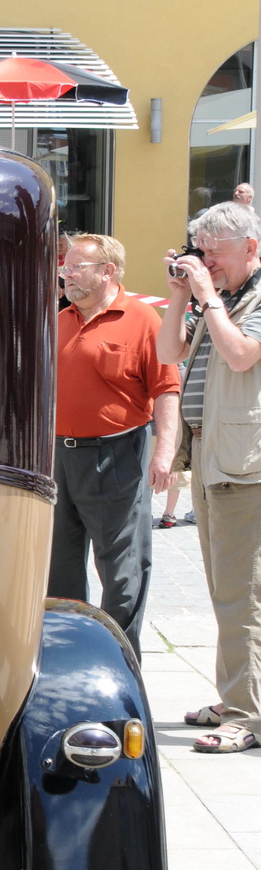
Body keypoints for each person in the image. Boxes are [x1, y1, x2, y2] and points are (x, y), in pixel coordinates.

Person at [157, 201, 261, 752]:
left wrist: (209, 297)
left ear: (251, 247)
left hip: (247, 468)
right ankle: (237, 696)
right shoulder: (219, 299)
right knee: (226, 591)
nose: (206, 261)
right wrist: (181, 296)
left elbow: (242, 355)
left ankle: (246, 714)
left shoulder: (249, 300)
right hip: (213, 461)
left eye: (215, 251)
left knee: (243, 595)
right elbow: (166, 351)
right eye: (200, 250)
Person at [50, 234, 180, 661]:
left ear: (108, 271)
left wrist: (164, 454)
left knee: (122, 572)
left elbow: (166, 389)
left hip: (117, 455)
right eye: (66, 267)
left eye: (76, 267)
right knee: (58, 568)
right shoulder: (60, 319)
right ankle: (68, 659)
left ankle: (120, 663)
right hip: (58, 458)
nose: (66, 274)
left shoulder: (142, 319)